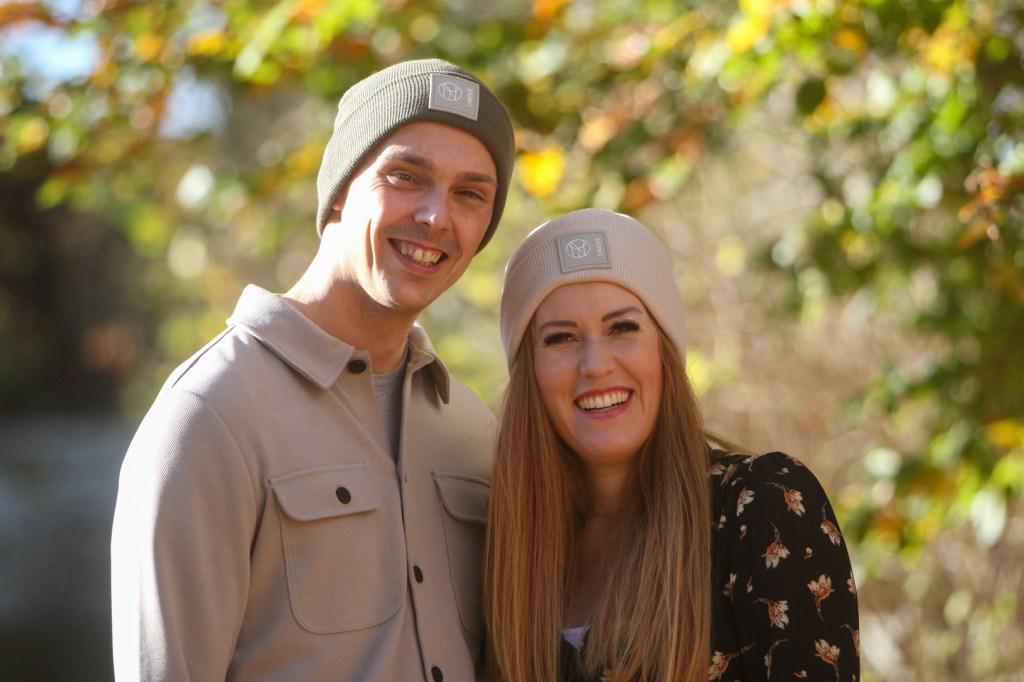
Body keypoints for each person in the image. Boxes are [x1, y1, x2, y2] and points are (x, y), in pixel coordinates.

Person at [111, 58, 515, 681]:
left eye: (470, 193)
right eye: (406, 176)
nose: (437, 217)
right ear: (339, 192)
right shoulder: (212, 414)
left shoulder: (470, 428)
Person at [484, 208, 860, 681]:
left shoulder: (762, 505)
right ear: (529, 375)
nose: (596, 364)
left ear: (664, 348)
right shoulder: (512, 552)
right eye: (560, 338)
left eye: (623, 328)